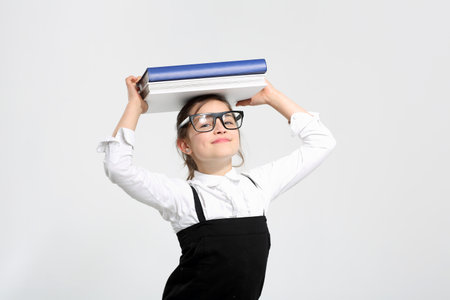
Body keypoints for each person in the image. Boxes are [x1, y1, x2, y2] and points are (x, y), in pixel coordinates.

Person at [96, 75, 337, 299]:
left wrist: (271, 96)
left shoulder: (258, 186)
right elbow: (118, 167)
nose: (220, 127)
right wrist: (134, 107)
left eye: (228, 120)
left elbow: (322, 142)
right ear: (185, 145)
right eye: (204, 123)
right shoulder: (182, 197)